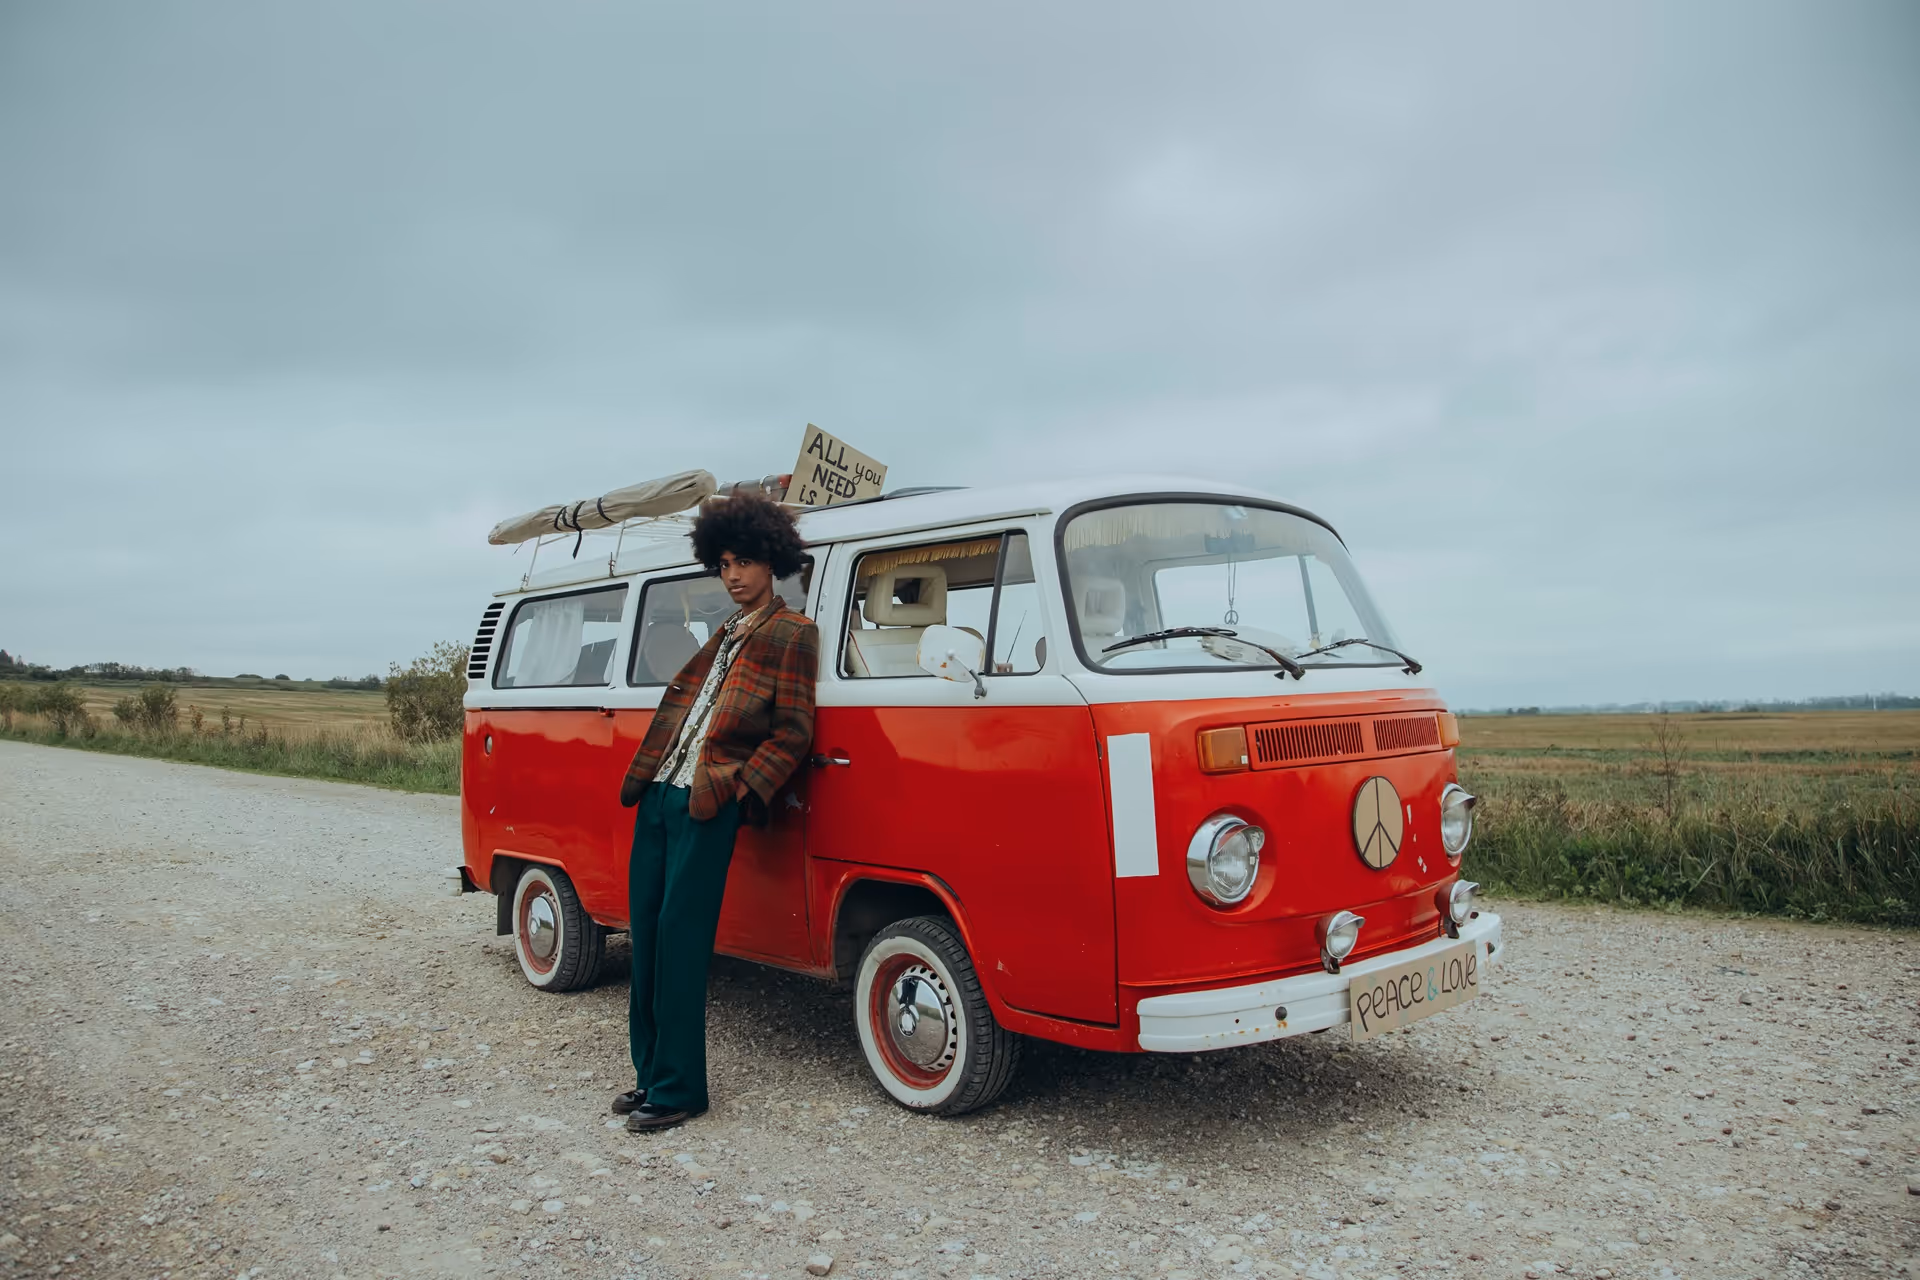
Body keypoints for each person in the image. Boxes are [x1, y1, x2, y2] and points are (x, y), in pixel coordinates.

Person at [612, 491, 818, 1133]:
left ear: (773, 563)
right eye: (724, 562)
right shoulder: (725, 631)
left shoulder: (793, 633)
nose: (733, 575)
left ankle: (680, 1090)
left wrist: (740, 788)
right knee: (645, 931)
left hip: (709, 800)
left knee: (680, 938)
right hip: (660, 792)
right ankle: (650, 1073)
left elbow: (793, 733)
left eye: (746, 561)